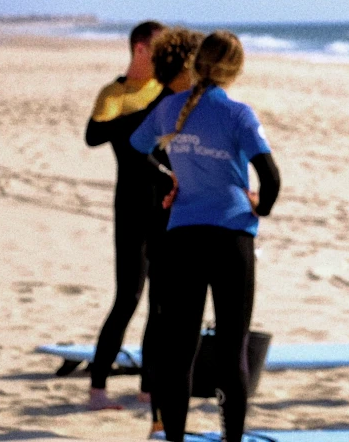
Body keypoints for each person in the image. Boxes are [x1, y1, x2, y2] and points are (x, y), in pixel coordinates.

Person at [130, 31, 280, 442]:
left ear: (197, 64)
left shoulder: (169, 109)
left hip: (183, 240)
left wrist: (169, 180)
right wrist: (259, 206)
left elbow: (136, 148)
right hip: (231, 239)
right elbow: (271, 179)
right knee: (232, 352)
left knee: (179, 353)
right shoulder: (238, 114)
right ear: (236, 70)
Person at [85, 20, 165, 411]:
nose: (164, 58)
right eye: (158, 50)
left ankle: (148, 388)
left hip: (167, 207)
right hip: (131, 206)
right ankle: (97, 388)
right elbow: (93, 136)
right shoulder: (115, 92)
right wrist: (131, 118)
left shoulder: (166, 90)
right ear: (139, 50)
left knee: (161, 304)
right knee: (129, 297)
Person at [138, 26, 204, 436]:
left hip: (180, 227)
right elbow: (137, 152)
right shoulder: (168, 107)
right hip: (165, 227)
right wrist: (169, 177)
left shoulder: (184, 105)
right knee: (165, 323)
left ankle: (160, 415)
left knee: (165, 321)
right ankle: (159, 417)